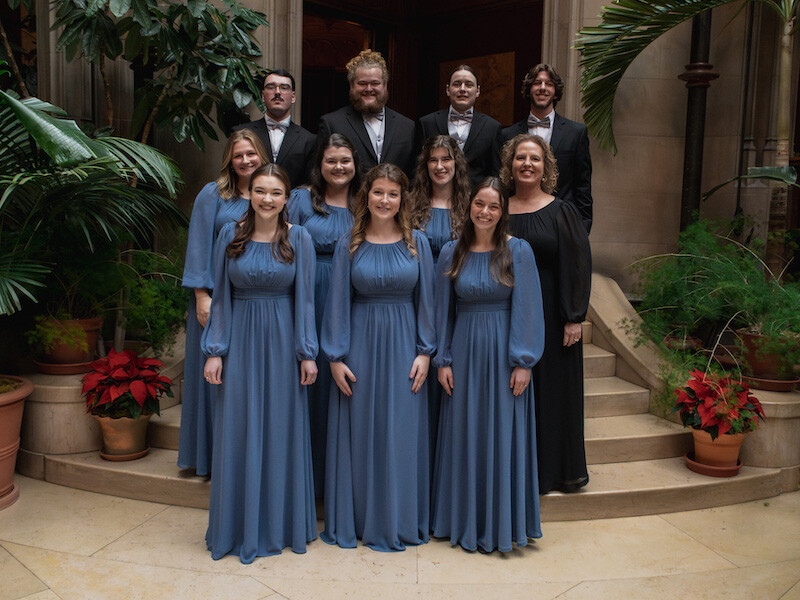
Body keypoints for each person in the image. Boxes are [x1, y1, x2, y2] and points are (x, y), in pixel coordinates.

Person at [202, 163, 318, 562]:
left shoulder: (298, 237)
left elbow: (305, 299)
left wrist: (307, 353)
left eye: (276, 193)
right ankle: (237, 526)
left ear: (287, 199)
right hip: (240, 344)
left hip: (284, 343)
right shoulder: (229, 234)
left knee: (281, 430)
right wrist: (215, 350)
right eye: (260, 191)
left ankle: (279, 525)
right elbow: (220, 298)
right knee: (238, 428)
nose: (267, 199)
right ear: (249, 194)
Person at [321, 163, 435, 552]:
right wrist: (334, 357)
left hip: (405, 345)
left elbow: (428, 302)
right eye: (377, 192)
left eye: (392, 193)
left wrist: (425, 352)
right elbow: (337, 301)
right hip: (360, 347)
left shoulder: (416, 243)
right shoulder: (347, 244)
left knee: (401, 431)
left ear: (403, 199)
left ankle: (400, 519)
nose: (384, 200)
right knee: (361, 431)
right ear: (365, 196)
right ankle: (358, 519)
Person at [432, 177, 545, 552]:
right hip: (462, 354)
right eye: (479, 204)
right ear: (469, 206)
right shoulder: (452, 251)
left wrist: (523, 361)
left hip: (503, 356)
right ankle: (462, 521)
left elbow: (527, 308)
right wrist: (442, 359)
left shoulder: (519, 251)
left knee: (501, 433)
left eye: (494, 206)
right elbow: (441, 311)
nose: (485, 211)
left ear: (503, 212)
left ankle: (500, 524)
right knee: (465, 433)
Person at [502, 134, 592, 495]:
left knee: (552, 393)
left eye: (534, 159)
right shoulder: (496, 209)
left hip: (553, 316)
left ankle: (552, 471)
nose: (527, 163)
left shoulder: (561, 210)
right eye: (520, 157)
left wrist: (574, 316)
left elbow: (578, 263)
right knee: (512, 392)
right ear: (510, 165)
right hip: (505, 312)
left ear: (546, 167)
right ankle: (512, 468)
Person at [179, 130, 270, 477]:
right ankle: (212, 456)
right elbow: (199, 245)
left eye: (251, 154)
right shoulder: (213, 194)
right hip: (214, 301)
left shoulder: (271, 194)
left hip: (253, 303)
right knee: (215, 379)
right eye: (238, 155)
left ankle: (244, 457)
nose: (246, 161)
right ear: (229, 161)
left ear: (262, 155)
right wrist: (202, 295)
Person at [288, 133, 362, 497]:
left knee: (339, 387)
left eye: (345, 160)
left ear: (355, 165)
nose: (338, 167)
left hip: (351, 299)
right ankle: (305, 476)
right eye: (331, 160)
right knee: (307, 382)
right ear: (320, 165)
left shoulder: (365, 204)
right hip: (308, 293)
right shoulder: (301, 200)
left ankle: (335, 476)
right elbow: (280, 249)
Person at [408, 134, 470, 470]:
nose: (440, 166)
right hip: (414, 301)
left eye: (446, 159)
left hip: (455, 304)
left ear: (456, 163)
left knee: (448, 382)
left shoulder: (471, 205)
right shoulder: (410, 203)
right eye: (433, 159)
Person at [502, 64, 593, 233]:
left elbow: (583, 186)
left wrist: (582, 228)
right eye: (537, 83)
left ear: (556, 92)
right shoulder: (507, 134)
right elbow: (503, 183)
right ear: (528, 89)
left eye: (549, 84)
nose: (542, 88)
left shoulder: (576, 133)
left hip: (562, 223)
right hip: (518, 221)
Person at [318, 50, 416, 177]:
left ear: (385, 85)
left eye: (375, 83)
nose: (369, 89)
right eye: (362, 83)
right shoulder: (332, 124)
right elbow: (319, 172)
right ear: (351, 86)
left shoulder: (407, 126)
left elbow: (413, 174)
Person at [416, 65, 503, 183]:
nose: (462, 89)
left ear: (477, 91)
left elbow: (495, 173)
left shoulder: (492, 127)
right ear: (448, 89)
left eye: (469, 84)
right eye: (457, 84)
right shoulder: (427, 123)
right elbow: (418, 169)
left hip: (475, 198)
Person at [234, 69, 316, 188]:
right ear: (263, 96)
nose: (277, 92)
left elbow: (309, 185)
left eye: (284, 87)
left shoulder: (309, 140)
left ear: (293, 97)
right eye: (271, 87)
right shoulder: (240, 133)